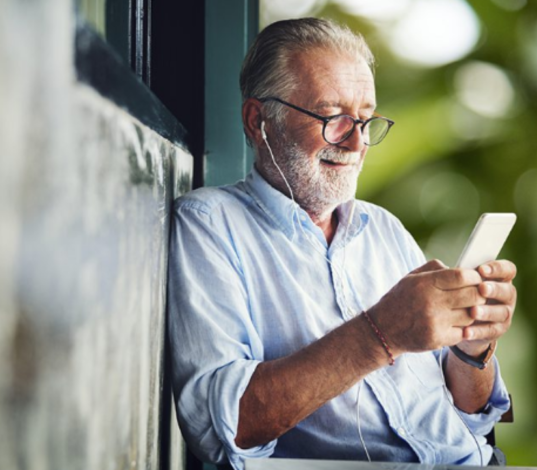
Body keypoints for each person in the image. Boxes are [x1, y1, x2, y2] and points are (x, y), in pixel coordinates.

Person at [168, 18, 515, 470]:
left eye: (366, 120)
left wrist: (474, 344)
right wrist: (381, 332)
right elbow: (223, 430)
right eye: (333, 118)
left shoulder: (384, 229)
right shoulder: (210, 224)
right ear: (259, 121)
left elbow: (473, 415)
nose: (357, 143)